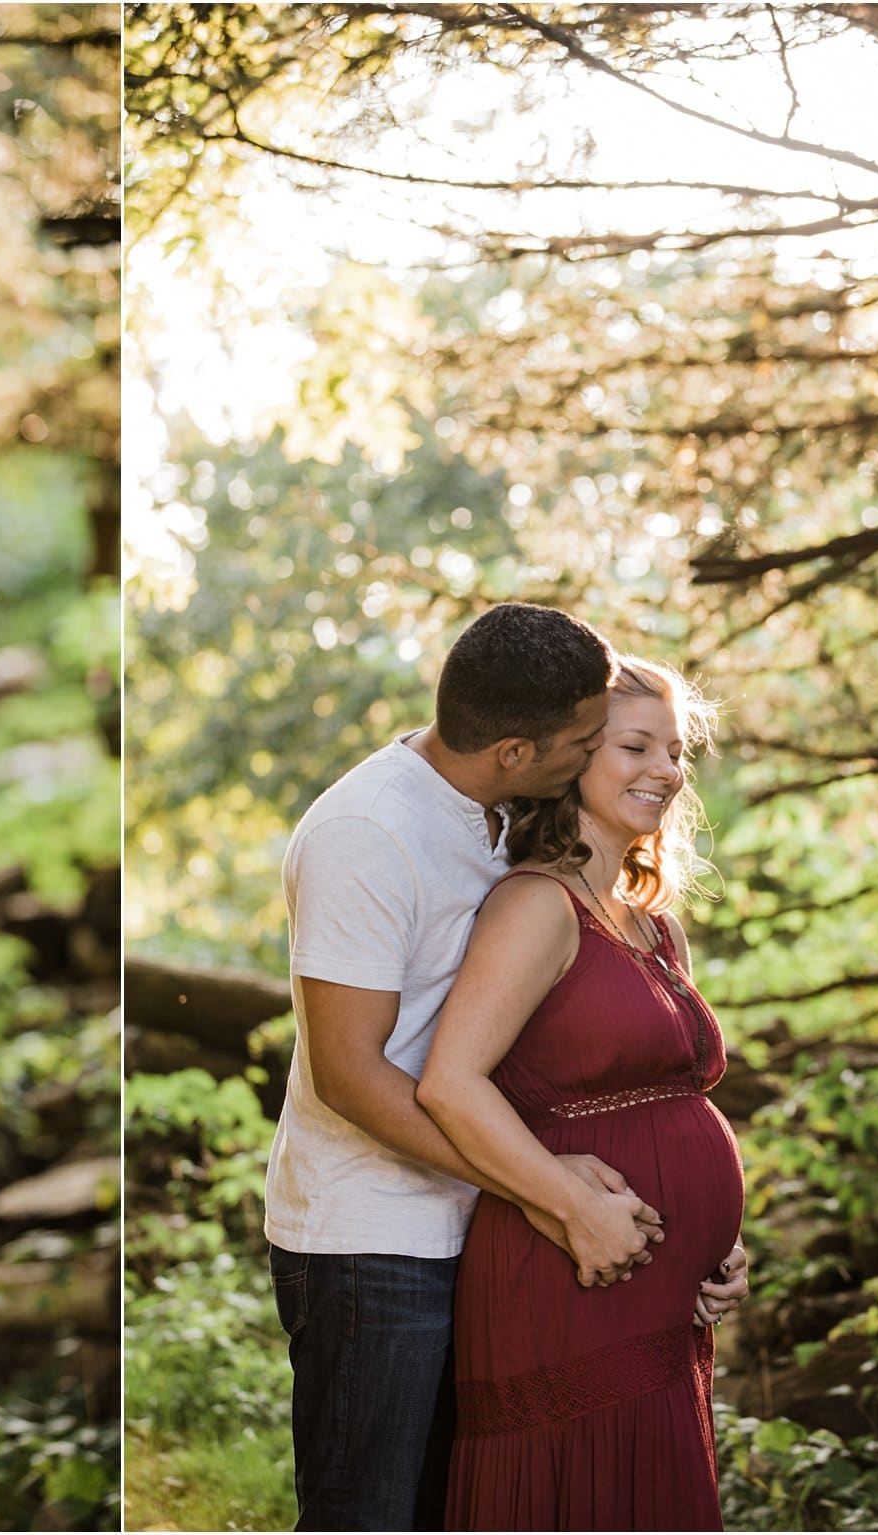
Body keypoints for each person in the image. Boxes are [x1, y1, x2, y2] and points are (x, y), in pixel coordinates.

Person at [265, 602, 671, 1532]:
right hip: (373, 1242)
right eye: (584, 740)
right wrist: (541, 1189)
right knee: (369, 1514)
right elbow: (350, 1075)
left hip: (475, 1222)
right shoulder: (365, 832)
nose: (593, 752)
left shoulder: (502, 810)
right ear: (516, 750)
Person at [417, 656, 749, 1531]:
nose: (668, 771)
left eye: (676, 751)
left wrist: (718, 1245)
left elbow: (667, 1104)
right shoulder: (536, 905)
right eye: (636, 745)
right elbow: (451, 1082)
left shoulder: (653, 923)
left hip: (659, 1296)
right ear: (574, 761)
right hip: (569, 1270)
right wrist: (569, 1202)